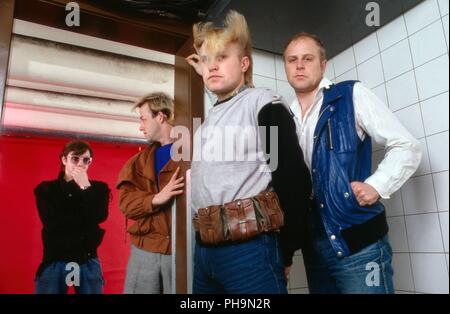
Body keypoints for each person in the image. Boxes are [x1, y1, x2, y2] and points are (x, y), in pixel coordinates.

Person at [283, 32, 422, 294]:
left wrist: (377, 185)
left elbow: (407, 146)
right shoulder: (285, 117)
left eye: (307, 58)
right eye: (292, 60)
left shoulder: (351, 94)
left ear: (323, 64)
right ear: (286, 67)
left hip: (360, 244)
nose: (299, 65)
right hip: (313, 248)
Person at [186, 11, 312, 294]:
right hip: (204, 251)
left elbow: (291, 177)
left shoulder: (264, 105)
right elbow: (225, 96)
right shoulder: (213, 115)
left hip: (250, 252)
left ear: (244, 64)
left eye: (221, 58)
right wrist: (207, 64)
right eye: (206, 60)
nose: (211, 67)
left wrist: (287, 250)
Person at [116, 92, 184, 294]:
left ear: (161, 117)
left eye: (144, 119)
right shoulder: (137, 163)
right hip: (145, 250)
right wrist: (155, 199)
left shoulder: (192, 153)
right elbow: (126, 205)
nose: (140, 126)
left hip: (181, 252)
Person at [34, 140, 110, 294]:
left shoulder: (99, 188)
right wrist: (84, 216)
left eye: (86, 160)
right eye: (75, 158)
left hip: (87, 259)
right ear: (64, 160)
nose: (81, 164)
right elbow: (52, 223)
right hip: (55, 259)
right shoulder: (46, 189)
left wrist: (85, 187)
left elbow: (99, 216)